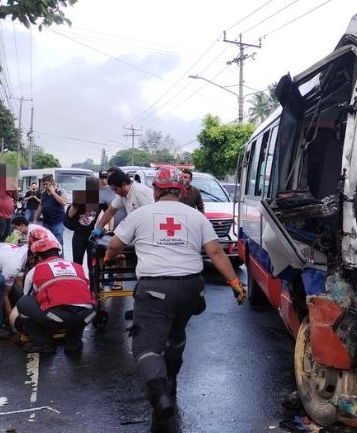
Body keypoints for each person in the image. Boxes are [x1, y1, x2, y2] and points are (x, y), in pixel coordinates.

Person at [103, 165, 245, 430]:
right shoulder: (196, 216)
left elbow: (114, 245)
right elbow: (216, 252)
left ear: (156, 190)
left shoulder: (141, 214)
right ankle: (170, 382)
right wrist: (235, 283)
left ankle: (160, 396)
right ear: (183, 191)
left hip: (155, 290)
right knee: (176, 336)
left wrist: (109, 258)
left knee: (146, 347)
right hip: (191, 288)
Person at [16, 238, 95, 353]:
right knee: (79, 302)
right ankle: (74, 342)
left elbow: (27, 297)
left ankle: (43, 343)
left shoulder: (35, 270)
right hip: (87, 315)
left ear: (38, 257)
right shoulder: (76, 266)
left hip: (58, 318)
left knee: (23, 303)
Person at [91, 170, 153, 238]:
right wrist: (99, 227)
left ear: (124, 184)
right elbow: (110, 211)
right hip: (135, 230)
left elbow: (152, 215)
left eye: (115, 189)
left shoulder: (140, 192)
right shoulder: (122, 194)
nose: (115, 193)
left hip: (148, 231)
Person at [65, 176, 107, 271]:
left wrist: (105, 227)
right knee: (77, 263)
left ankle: (93, 281)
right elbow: (70, 215)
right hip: (78, 235)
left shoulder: (100, 199)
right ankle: (79, 280)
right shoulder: (81, 197)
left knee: (92, 265)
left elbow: (109, 213)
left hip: (92, 236)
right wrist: (76, 203)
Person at [34, 174, 67, 249]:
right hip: (46, 223)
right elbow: (40, 207)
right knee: (46, 244)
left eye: (47, 184)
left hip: (57, 223)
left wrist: (53, 193)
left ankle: (59, 256)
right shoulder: (44, 194)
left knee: (58, 244)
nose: (45, 186)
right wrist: (35, 219)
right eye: (44, 184)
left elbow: (63, 203)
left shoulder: (60, 191)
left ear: (52, 183)